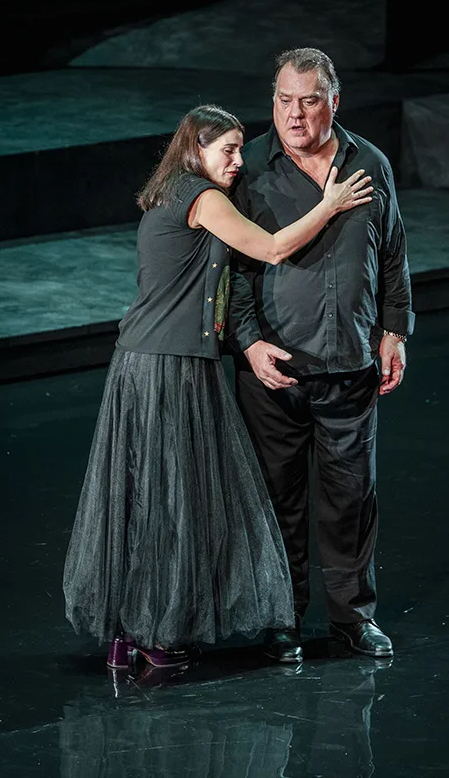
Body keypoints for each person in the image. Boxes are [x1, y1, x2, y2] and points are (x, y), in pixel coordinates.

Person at [63, 104, 374, 669]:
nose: (237, 162)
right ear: (194, 150)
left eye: (238, 149)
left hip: (156, 363)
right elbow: (273, 248)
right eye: (227, 150)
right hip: (166, 367)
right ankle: (154, 633)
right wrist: (329, 206)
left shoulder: (180, 194)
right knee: (169, 503)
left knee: (151, 500)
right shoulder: (199, 197)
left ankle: (129, 634)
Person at [227, 49, 415, 663]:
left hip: (351, 364)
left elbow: (391, 251)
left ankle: (352, 619)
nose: (294, 113)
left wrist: (395, 329)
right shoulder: (250, 167)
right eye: (283, 99)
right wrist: (249, 343)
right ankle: (282, 620)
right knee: (280, 500)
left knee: (350, 501)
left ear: (334, 102)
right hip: (275, 368)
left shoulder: (371, 164)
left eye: (309, 99)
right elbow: (228, 270)